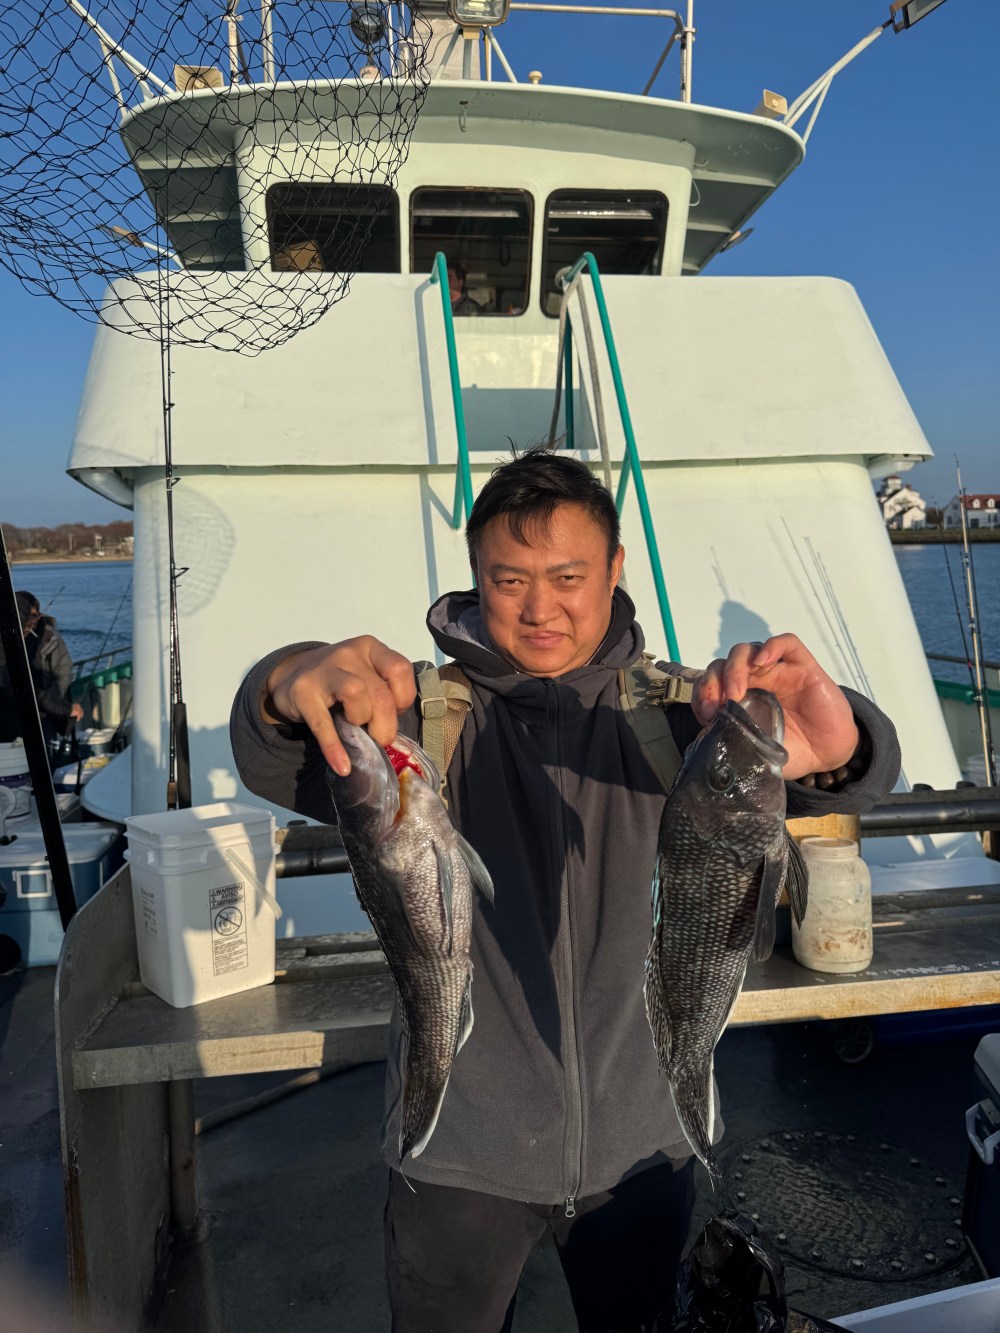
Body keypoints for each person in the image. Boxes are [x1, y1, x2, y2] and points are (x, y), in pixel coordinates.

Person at [230, 447, 900, 1332]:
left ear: (615, 571)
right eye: (508, 579)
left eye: (568, 575)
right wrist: (288, 680)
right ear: (475, 577)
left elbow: (845, 776)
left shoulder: (681, 720)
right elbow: (275, 755)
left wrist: (842, 739)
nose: (539, 607)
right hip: (457, 1155)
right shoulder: (425, 725)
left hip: (642, 1148)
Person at [12, 591, 83, 748]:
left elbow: (63, 672)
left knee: (45, 750)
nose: (32, 620)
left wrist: (51, 703)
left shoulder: (51, 638)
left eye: (36, 615)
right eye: (28, 615)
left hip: (45, 710)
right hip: (14, 712)